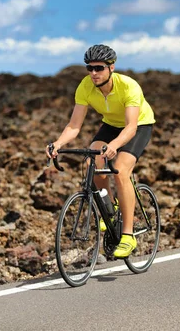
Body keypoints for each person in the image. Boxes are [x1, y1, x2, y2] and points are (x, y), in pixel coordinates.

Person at [46, 44, 155, 258]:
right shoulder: (85, 87)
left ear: (111, 67)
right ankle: (110, 207)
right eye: (89, 68)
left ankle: (128, 235)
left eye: (99, 68)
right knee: (92, 163)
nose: (93, 73)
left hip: (138, 125)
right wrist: (58, 143)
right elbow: (74, 126)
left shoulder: (128, 86)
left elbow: (131, 127)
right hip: (111, 124)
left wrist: (114, 145)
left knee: (121, 170)